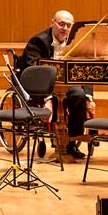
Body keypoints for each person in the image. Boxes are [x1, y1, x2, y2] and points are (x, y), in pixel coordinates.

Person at [21, 10, 93, 160]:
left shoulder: (76, 42)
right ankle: (58, 140)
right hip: (44, 86)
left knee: (79, 96)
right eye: (61, 24)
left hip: (66, 85)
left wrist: (89, 97)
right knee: (55, 99)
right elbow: (32, 71)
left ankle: (72, 141)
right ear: (52, 23)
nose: (65, 28)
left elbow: (84, 70)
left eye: (68, 25)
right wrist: (47, 98)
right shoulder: (38, 41)